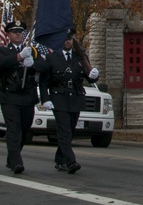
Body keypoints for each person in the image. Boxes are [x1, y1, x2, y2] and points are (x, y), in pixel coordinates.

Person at [36, 29, 99, 174]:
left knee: (69, 132)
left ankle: (59, 159)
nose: (68, 41)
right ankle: (71, 162)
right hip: (59, 98)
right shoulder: (52, 58)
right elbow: (44, 82)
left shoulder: (80, 58)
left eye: (70, 39)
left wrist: (95, 75)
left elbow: (89, 77)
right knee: (64, 131)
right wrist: (45, 99)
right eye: (65, 39)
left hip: (75, 98)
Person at [0, 19, 40, 174]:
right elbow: (1, 63)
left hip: (27, 96)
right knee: (14, 129)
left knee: (24, 129)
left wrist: (33, 64)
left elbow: (45, 67)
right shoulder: (3, 51)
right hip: (10, 96)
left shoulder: (31, 51)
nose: (18, 34)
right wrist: (19, 57)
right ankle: (16, 162)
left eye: (20, 31)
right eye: (15, 32)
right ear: (8, 35)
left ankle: (11, 158)